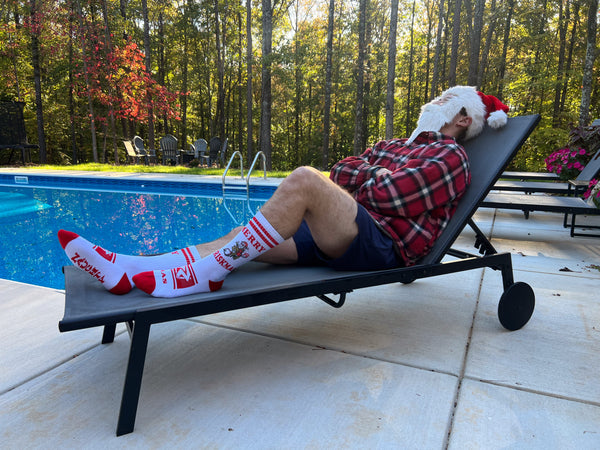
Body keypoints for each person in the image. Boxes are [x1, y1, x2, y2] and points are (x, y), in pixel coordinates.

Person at [58, 85, 509, 298]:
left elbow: (386, 198)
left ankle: (207, 274)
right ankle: (129, 268)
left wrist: (356, 183)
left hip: (381, 243)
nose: (433, 101)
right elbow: (346, 170)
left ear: (464, 117)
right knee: (239, 242)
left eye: (446, 99)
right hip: (345, 228)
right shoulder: (397, 145)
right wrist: (361, 182)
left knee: (305, 180)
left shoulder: (451, 158)